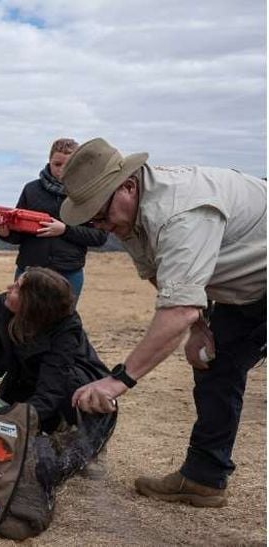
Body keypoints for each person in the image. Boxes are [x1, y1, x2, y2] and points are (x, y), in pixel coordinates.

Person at [60, 138, 266, 507]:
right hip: (246, 290)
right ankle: (203, 479)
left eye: (99, 213)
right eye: (90, 217)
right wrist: (201, 328)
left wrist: (118, 380)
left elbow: (178, 309)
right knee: (216, 365)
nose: (98, 225)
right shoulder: (128, 215)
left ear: (127, 185)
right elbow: (163, 276)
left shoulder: (181, 214)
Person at [0, 267, 111, 434]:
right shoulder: (0, 306)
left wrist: (12, 421)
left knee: (24, 427)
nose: (8, 288)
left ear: (32, 302)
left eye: (17, 288)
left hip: (68, 384)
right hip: (24, 377)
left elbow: (51, 389)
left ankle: (68, 426)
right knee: (5, 414)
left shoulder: (66, 325)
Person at [0, 138, 107, 302]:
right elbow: (18, 235)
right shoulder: (31, 189)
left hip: (68, 273)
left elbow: (99, 236)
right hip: (29, 271)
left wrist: (65, 230)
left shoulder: (88, 194)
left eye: (68, 165)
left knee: (63, 324)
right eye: (57, 164)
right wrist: (5, 233)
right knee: (23, 321)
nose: (61, 170)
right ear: (49, 162)